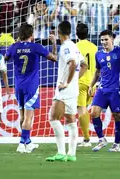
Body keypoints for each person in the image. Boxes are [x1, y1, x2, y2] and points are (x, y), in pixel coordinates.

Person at [4, 24, 57, 153]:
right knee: (29, 116)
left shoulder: (13, 47)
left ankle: (28, 142)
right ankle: (22, 143)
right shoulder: (36, 47)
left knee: (22, 114)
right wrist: (54, 43)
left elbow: (4, 59)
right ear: (32, 35)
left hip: (18, 85)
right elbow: (54, 58)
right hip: (31, 86)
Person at [45, 21, 87, 162]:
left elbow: (73, 63)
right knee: (70, 121)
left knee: (53, 117)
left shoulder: (66, 47)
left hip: (65, 90)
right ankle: (72, 154)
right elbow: (84, 65)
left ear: (59, 32)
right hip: (73, 90)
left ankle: (61, 152)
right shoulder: (73, 46)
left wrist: (67, 82)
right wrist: (74, 80)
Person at [89, 30, 120, 152]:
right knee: (94, 113)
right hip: (102, 89)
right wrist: (91, 85)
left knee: (117, 116)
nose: (104, 42)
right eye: (102, 40)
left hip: (116, 90)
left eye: (106, 39)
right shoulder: (98, 54)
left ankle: (116, 144)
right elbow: (97, 71)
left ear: (112, 39)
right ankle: (102, 139)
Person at [76, 23, 98, 147]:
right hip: (92, 83)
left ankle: (86, 140)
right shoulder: (94, 47)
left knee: (81, 110)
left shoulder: (75, 46)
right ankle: (87, 138)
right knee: (85, 110)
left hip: (80, 82)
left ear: (76, 33)